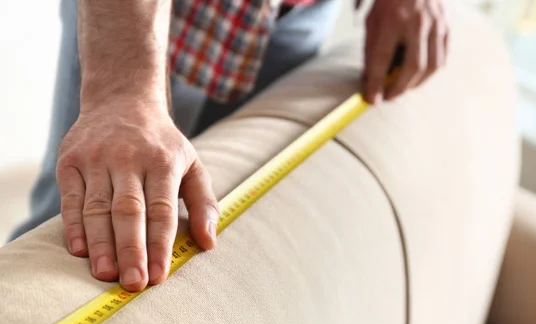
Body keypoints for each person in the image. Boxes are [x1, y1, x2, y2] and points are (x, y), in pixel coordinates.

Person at [10, 0, 448, 292]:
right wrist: (123, 92)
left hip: (298, 13)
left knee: (186, 204)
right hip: (150, 14)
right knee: (89, 210)